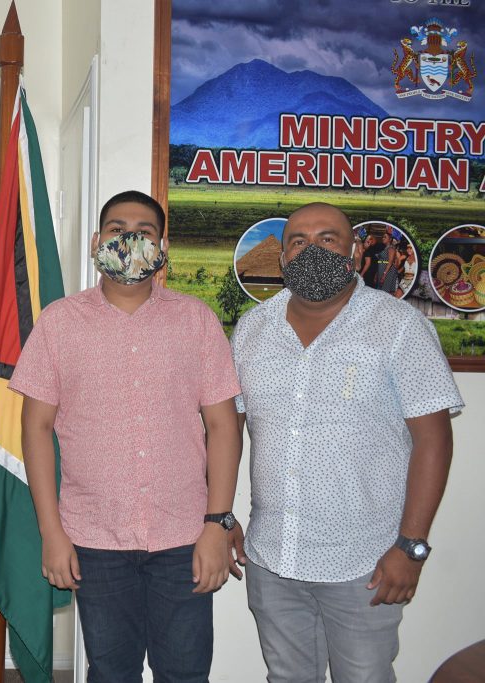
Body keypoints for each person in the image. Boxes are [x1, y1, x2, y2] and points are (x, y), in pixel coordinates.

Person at [9, 190, 243, 682]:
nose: (130, 239)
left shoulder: (196, 321)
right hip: (94, 537)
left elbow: (223, 426)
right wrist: (52, 532)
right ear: (97, 240)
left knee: (185, 672)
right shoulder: (59, 323)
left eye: (145, 231)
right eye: (117, 230)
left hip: (184, 536)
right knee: (111, 672)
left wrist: (217, 524)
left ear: (163, 247)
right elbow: (36, 427)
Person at [230, 202, 463, 682]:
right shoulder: (253, 329)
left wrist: (412, 546)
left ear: (356, 253)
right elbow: (228, 427)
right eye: (297, 241)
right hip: (273, 556)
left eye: (328, 239)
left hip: (366, 563)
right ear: (281, 258)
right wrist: (220, 514)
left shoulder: (399, 326)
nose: (311, 248)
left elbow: (434, 440)